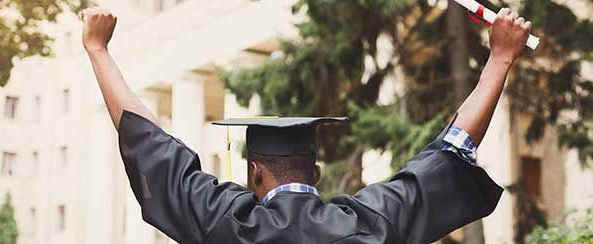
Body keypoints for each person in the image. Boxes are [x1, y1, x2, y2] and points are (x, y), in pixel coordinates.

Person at [80, 6, 532, 244]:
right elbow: (452, 150)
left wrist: (98, 50)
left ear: (254, 171)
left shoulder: (224, 225)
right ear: (314, 175)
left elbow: (150, 143)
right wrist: (500, 57)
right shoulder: (367, 224)